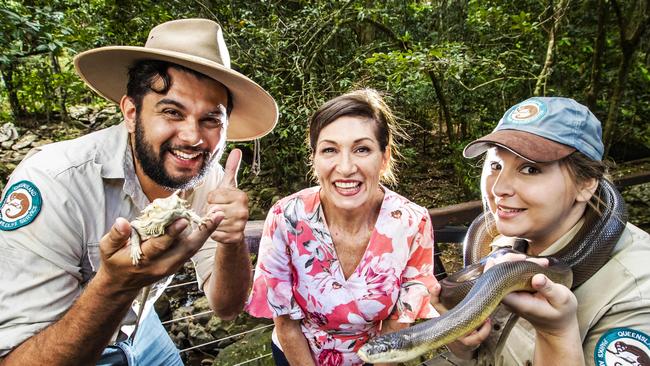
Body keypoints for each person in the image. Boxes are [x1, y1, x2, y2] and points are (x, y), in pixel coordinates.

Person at [0, 18, 278, 365]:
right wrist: (114, 285)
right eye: (172, 112)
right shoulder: (53, 182)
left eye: (211, 120)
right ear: (131, 113)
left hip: (143, 328)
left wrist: (232, 239)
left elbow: (226, 306)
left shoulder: (209, 178)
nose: (192, 138)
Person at [429, 97, 650, 365]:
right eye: (496, 165)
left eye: (530, 169)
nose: (499, 189)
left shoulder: (637, 292)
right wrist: (463, 347)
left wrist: (555, 334)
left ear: (586, 184)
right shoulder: (501, 246)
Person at [246, 89, 438, 365]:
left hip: (374, 357)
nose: (346, 167)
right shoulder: (285, 217)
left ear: (384, 158)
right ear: (314, 159)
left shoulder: (412, 223)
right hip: (296, 354)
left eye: (362, 149)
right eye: (330, 150)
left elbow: (399, 325)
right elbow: (286, 324)